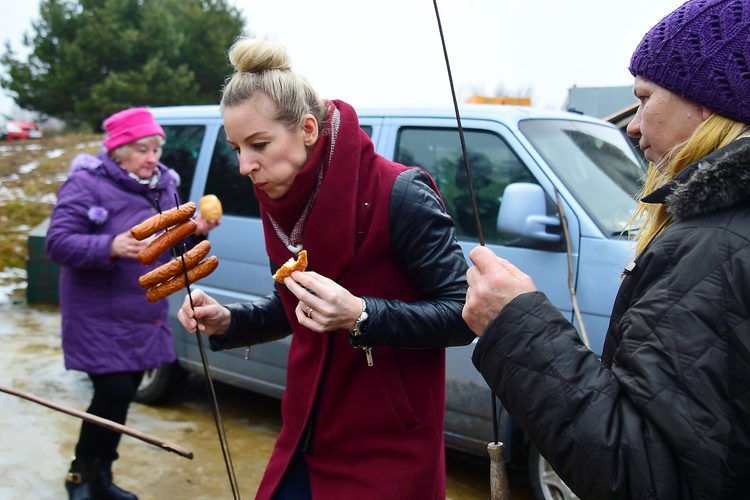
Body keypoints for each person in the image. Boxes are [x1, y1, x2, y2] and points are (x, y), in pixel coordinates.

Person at [463, 0, 750, 498]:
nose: (633, 125)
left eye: (644, 97)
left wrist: (515, 325)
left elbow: (648, 477)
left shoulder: (714, 249)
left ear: (709, 100)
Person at [176, 37, 474, 499]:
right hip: (304, 432)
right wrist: (231, 320)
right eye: (236, 148)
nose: (244, 166)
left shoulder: (402, 192)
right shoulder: (279, 192)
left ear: (309, 130)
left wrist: (362, 315)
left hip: (386, 446)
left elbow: (463, 313)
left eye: (258, 144)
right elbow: (295, 307)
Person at [46, 107, 219, 500]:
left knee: (122, 394)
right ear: (119, 150)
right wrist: (110, 245)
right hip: (96, 309)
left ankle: (101, 477)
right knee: (113, 390)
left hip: (142, 309)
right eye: (142, 149)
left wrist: (196, 231)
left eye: (156, 148)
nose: (152, 157)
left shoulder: (167, 183)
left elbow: (175, 243)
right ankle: (80, 476)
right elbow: (58, 242)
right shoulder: (85, 184)